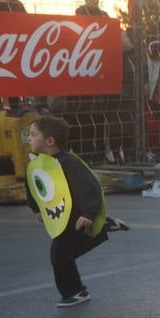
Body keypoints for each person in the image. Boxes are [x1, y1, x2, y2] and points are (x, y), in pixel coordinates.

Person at [24, 116, 127, 307]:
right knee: (65, 253)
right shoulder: (38, 164)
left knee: (59, 255)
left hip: (76, 215)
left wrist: (89, 213)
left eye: (33, 134)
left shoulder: (69, 163)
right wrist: (36, 208)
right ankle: (102, 226)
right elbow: (34, 187)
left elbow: (90, 188)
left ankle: (76, 292)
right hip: (63, 216)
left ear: (50, 141)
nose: (28, 138)